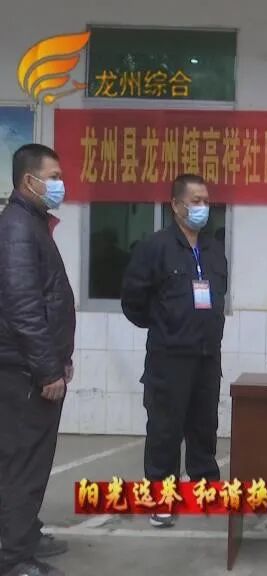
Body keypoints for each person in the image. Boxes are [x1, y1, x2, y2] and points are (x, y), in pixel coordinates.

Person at [121, 174, 227, 528]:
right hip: (169, 356)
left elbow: (219, 295)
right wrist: (165, 325)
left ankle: (204, 488)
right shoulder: (156, 247)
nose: (202, 208)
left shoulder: (213, 248)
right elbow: (133, 300)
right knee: (165, 429)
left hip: (207, 354)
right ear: (176, 205)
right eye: (195, 201)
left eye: (206, 201)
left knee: (204, 426)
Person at [0, 144, 75, 576]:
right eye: (54, 176)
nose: (60, 184)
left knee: (25, 459)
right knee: (24, 463)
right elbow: (23, 305)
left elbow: (46, 300)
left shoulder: (31, 224)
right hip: (24, 373)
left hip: (33, 366)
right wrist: (47, 369)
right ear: (29, 181)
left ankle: (24, 534)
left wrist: (61, 358)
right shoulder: (17, 228)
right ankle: (14, 558)